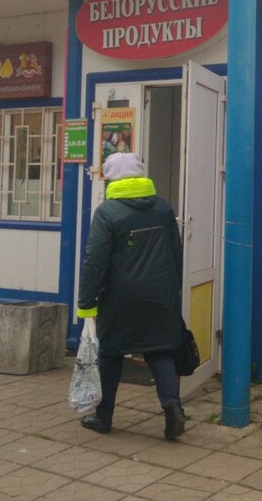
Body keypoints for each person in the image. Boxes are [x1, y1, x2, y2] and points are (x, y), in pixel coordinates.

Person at [76, 152, 186, 440]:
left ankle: (103, 417)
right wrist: (173, 289)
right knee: (160, 350)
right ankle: (173, 409)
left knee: (111, 353)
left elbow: (94, 262)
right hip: (161, 294)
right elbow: (176, 254)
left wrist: (86, 302)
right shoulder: (163, 208)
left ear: (112, 179)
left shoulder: (107, 213)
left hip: (120, 298)